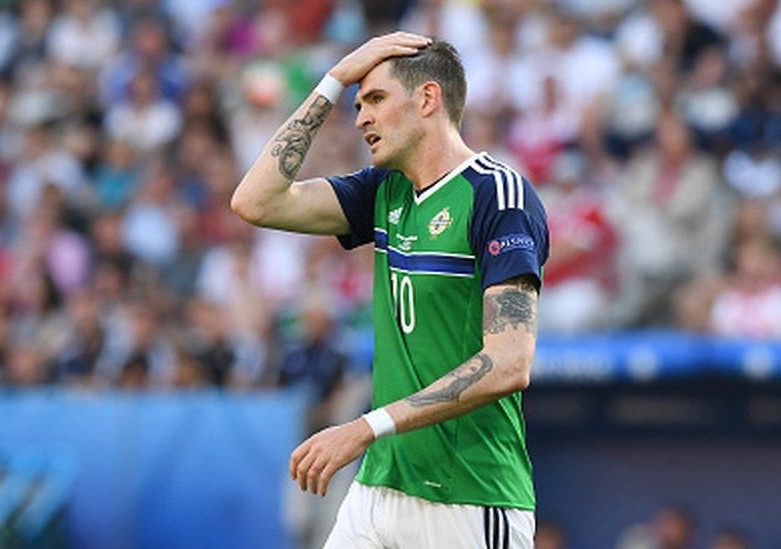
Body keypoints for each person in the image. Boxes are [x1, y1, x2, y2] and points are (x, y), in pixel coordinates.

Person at [230, 32, 549, 548]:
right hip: (379, 490)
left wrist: (365, 427)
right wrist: (334, 79)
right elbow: (255, 201)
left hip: (469, 496)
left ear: (427, 98)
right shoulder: (383, 191)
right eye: (357, 105)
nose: (361, 119)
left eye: (374, 99)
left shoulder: (498, 195)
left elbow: (510, 362)